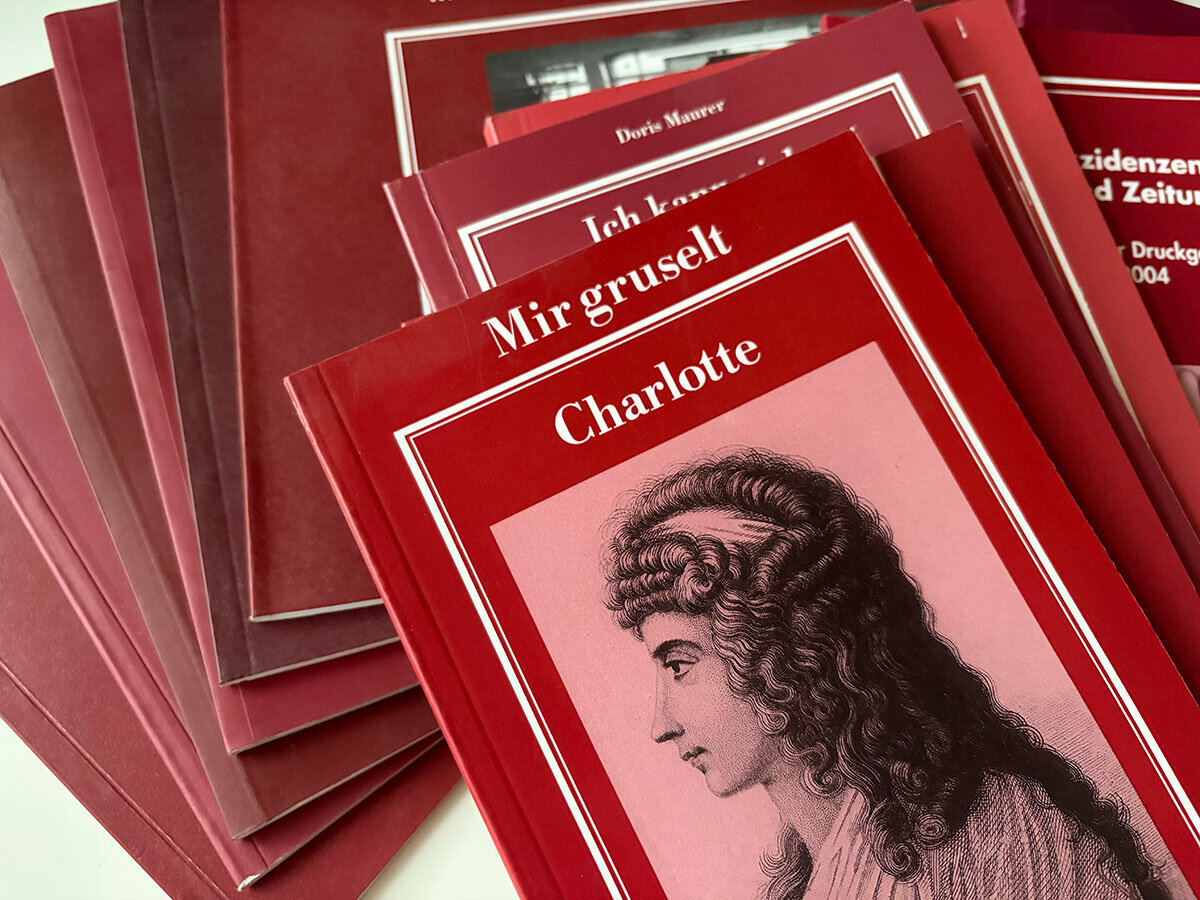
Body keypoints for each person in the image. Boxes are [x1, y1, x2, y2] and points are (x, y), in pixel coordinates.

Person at [602, 449, 1168, 899]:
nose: (661, 724)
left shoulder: (998, 839)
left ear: (788, 653)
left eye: (679, 666)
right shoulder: (804, 872)